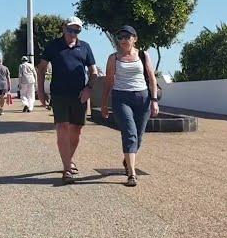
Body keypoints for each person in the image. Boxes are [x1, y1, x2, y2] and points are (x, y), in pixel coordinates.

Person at [37, 16, 97, 184]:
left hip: (79, 95)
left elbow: (93, 72)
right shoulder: (53, 46)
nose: (73, 33)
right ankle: (66, 169)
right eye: (70, 30)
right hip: (59, 94)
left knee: (76, 130)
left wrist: (89, 88)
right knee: (62, 127)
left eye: (76, 30)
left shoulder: (85, 47)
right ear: (64, 29)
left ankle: (68, 159)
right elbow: (41, 69)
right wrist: (41, 92)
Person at [101, 25, 159, 187]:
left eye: (127, 37)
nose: (124, 40)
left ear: (135, 38)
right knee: (129, 133)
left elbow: (152, 78)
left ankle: (128, 159)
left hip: (142, 98)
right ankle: (132, 173)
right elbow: (108, 81)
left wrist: (154, 100)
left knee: (139, 136)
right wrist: (104, 103)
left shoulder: (143, 55)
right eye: (120, 37)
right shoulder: (114, 58)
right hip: (121, 97)